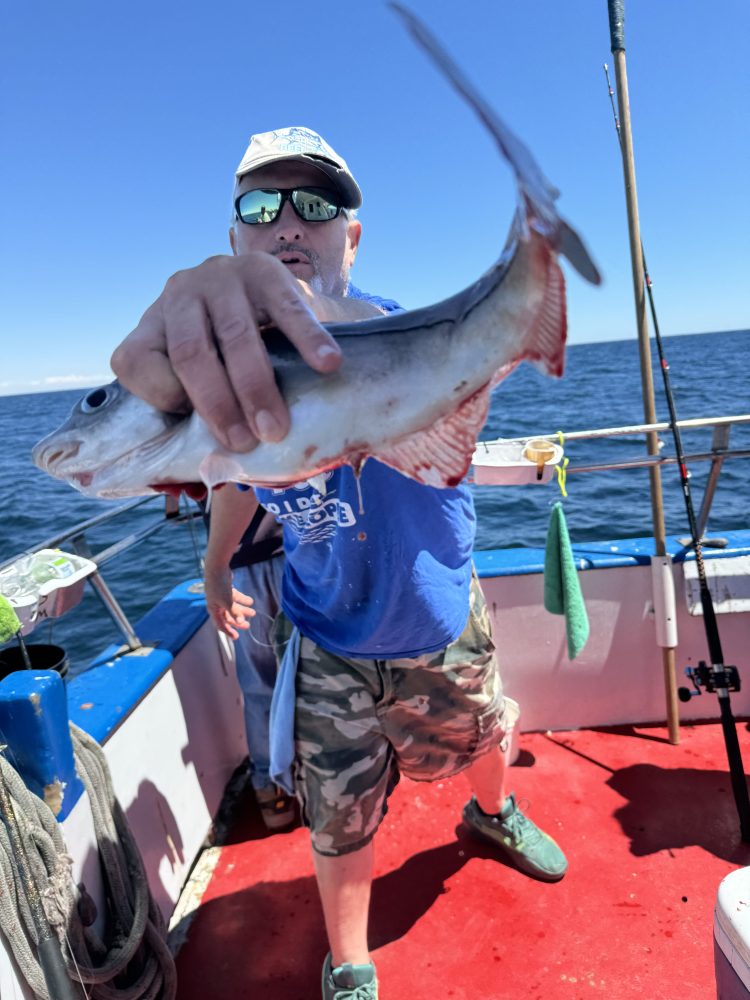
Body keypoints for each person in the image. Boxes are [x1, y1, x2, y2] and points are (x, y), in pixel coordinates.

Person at [112, 125, 568, 1000]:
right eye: (262, 206)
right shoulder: (228, 382)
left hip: (439, 612)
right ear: (236, 239)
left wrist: (526, 286)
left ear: (351, 236)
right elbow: (237, 477)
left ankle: (493, 813)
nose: (290, 222)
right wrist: (215, 567)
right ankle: (351, 962)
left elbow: (474, 362)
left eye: (317, 205)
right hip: (325, 633)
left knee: (485, 734)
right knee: (338, 809)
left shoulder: (410, 335)